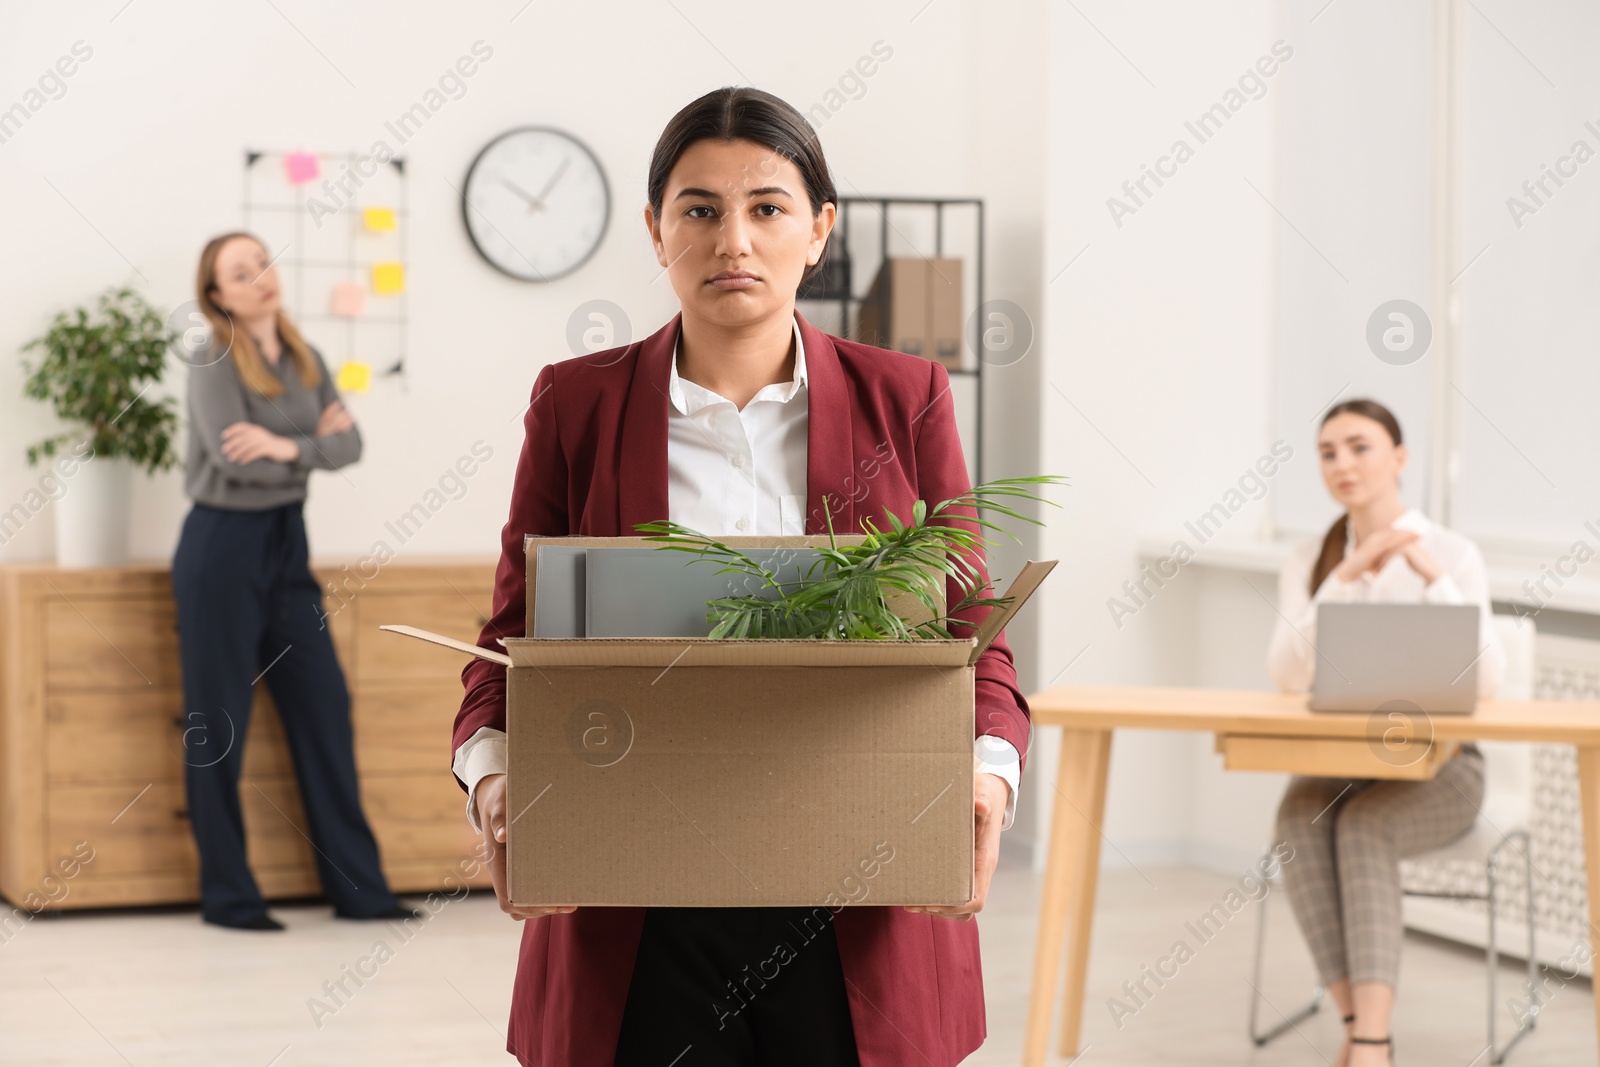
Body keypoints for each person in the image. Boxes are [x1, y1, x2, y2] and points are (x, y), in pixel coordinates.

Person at [452, 87, 1031, 1066]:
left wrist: (988, 775)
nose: (734, 240)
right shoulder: (575, 404)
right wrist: (493, 776)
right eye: (699, 208)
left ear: (818, 229)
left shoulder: (907, 397)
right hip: (634, 896)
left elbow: (971, 633)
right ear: (654, 229)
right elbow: (509, 643)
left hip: (857, 887)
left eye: (767, 207)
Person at [172, 232, 415, 930]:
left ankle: (360, 891)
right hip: (221, 546)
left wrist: (283, 445)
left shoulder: (306, 358)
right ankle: (230, 896)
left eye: (263, 264)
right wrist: (312, 448)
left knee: (324, 708)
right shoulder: (213, 356)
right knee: (217, 724)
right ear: (217, 294)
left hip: (287, 544)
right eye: (240, 273)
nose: (260, 279)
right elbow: (235, 459)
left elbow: (353, 443)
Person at [1268, 398, 1505, 1065]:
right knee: (1298, 817)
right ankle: (1357, 1022)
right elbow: (1286, 674)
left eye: (1359, 446)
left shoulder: (1454, 553)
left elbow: (1489, 682)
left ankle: (1370, 1042)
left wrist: (1432, 578)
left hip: (1446, 770)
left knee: (1365, 825)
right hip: (1347, 761)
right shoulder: (1311, 557)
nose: (1342, 463)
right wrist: (1343, 578)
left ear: (1400, 457)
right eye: (1327, 451)